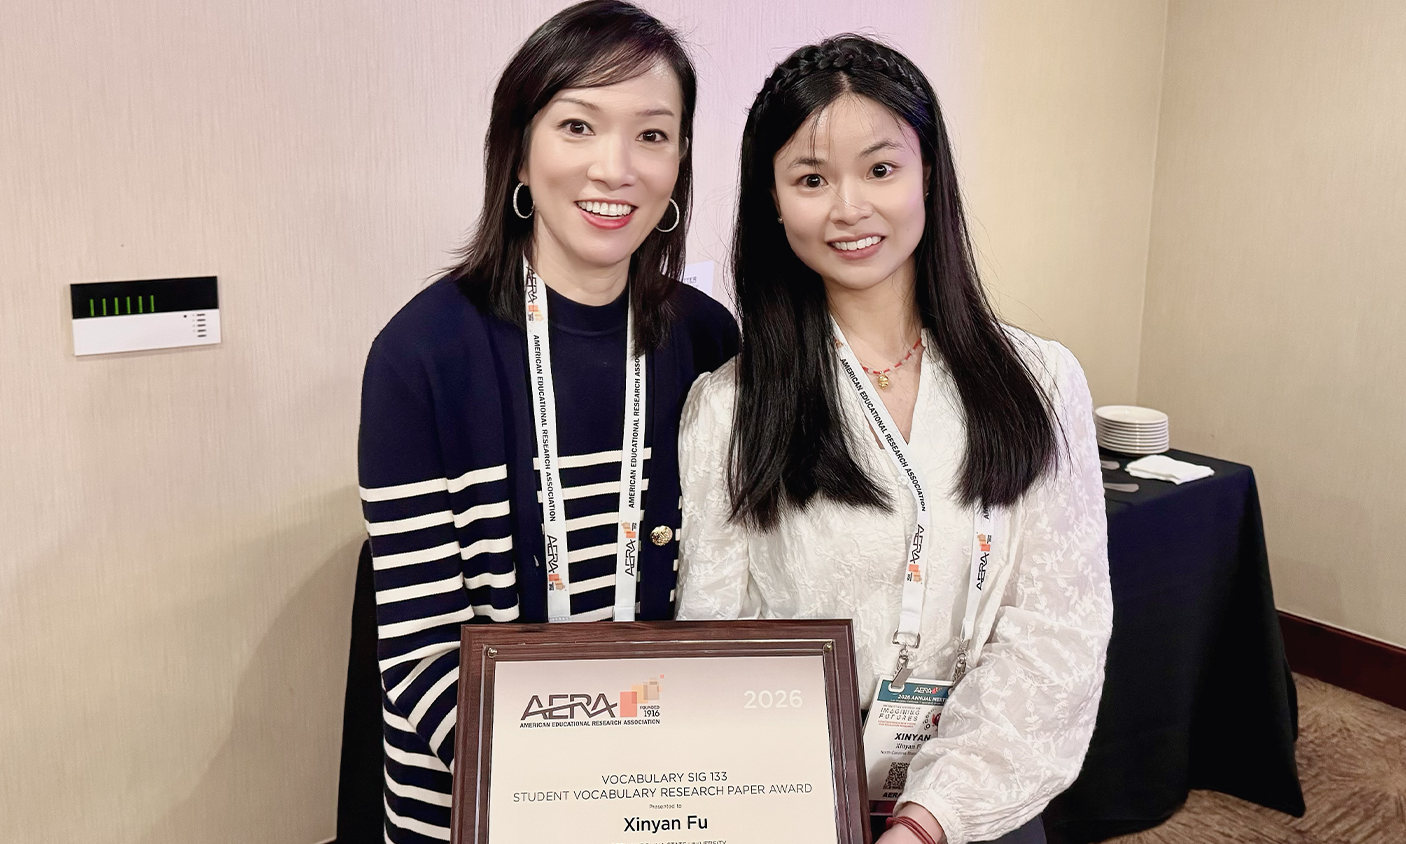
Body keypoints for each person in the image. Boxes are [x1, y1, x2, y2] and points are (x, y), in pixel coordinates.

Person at [676, 35, 1111, 844]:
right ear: (772, 201)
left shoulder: (1041, 382)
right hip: (792, 811)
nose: (849, 208)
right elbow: (717, 646)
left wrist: (928, 820)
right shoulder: (729, 408)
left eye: (881, 169)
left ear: (929, 175)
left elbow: (1057, 632)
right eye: (811, 179)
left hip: (979, 807)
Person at [357, 3, 738, 841]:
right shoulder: (421, 355)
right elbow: (421, 653)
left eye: (652, 135)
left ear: (678, 162)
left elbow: (736, 600)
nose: (616, 168)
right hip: (480, 803)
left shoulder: (710, 344)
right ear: (518, 153)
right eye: (578, 125)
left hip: (672, 797)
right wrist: (565, 801)